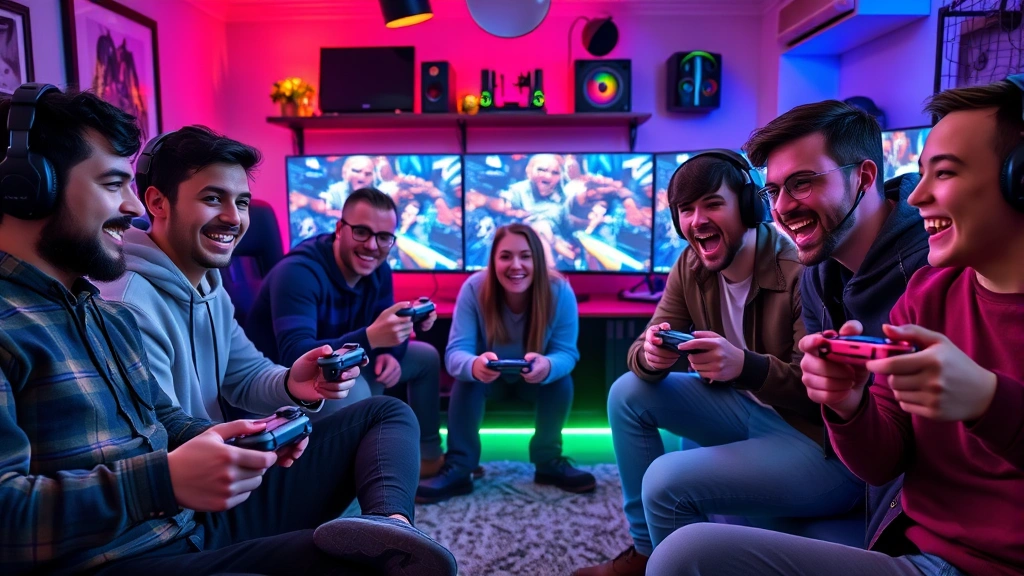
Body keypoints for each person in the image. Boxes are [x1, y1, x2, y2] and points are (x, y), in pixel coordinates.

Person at [0, 84, 456, 576]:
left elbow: (165, 421)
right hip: (117, 552)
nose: (131, 208)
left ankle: (390, 524)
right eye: (114, 185)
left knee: (377, 526)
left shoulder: (94, 310)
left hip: (182, 521)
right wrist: (167, 480)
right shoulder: (106, 304)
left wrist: (261, 428)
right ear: (26, 189)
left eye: (241, 201)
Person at [644, 74, 1024, 576]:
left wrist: (986, 400)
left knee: (678, 523)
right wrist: (848, 405)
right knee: (634, 396)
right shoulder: (912, 293)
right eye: (774, 190)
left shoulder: (911, 271)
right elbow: (884, 454)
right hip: (910, 530)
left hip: (909, 519)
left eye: (946, 174)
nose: (917, 196)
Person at [574, 151, 862, 576]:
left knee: (664, 480)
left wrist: (744, 366)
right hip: (744, 410)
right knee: (627, 392)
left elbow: (819, 391)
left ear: (749, 206)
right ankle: (645, 553)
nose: (696, 220)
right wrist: (653, 355)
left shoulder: (797, 267)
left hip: (813, 441)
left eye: (712, 203)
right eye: (686, 210)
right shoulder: (691, 265)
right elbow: (642, 347)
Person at [743, 98, 931, 554]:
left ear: (864, 177)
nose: (783, 208)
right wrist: (845, 404)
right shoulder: (816, 276)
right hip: (862, 465)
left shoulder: (931, 270)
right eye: (773, 192)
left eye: (802, 184)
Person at [246, 187, 446, 478]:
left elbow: (382, 334)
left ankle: (427, 459)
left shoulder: (378, 271)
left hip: (341, 365)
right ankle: (361, 477)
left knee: (424, 357)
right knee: (360, 390)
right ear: (340, 229)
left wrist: (390, 351)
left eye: (383, 237)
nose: (372, 246)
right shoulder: (298, 273)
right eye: (362, 232)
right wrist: (374, 338)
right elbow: (295, 354)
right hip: (281, 382)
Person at [416, 223, 595, 503]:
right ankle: (461, 467)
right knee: (467, 378)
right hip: (488, 382)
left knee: (560, 377)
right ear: (493, 261)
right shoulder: (474, 288)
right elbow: (455, 354)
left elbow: (566, 353)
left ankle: (548, 462)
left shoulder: (559, 291)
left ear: (537, 258)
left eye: (525, 256)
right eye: (505, 256)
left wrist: (547, 366)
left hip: (534, 383)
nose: (516, 265)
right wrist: (475, 365)